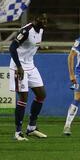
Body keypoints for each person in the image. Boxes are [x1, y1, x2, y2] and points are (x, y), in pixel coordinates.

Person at [9, 13, 48, 141]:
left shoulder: (41, 30)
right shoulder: (26, 30)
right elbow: (12, 47)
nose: (44, 22)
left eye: (45, 20)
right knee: (23, 97)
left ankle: (31, 128)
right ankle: (18, 133)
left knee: (41, 94)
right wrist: (19, 67)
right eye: (42, 20)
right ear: (35, 20)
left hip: (31, 66)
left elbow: (32, 46)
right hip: (18, 66)